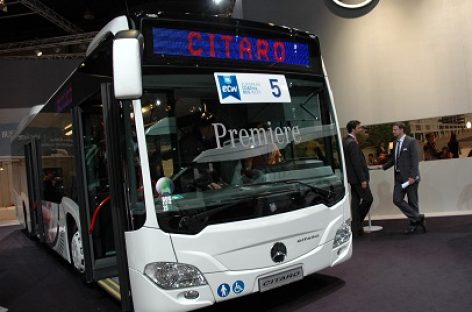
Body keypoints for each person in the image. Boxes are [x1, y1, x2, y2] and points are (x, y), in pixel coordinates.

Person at [380, 122, 425, 234]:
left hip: (410, 178)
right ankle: (418, 217)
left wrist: (413, 176)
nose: (393, 131)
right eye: (393, 129)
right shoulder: (395, 143)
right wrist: (383, 166)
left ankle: (413, 224)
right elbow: (394, 159)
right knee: (397, 199)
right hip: (399, 177)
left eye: (395, 129)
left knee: (412, 202)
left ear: (401, 130)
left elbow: (415, 160)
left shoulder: (411, 141)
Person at [343, 120, 373, 237]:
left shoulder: (346, 141)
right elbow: (356, 163)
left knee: (355, 202)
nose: (361, 129)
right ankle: (356, 224)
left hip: (353, 179)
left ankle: (357, 228)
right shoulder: (351, 143)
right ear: (353, 129)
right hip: (358, 179)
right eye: (359, 127)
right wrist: (363, 179)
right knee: (368, 199)